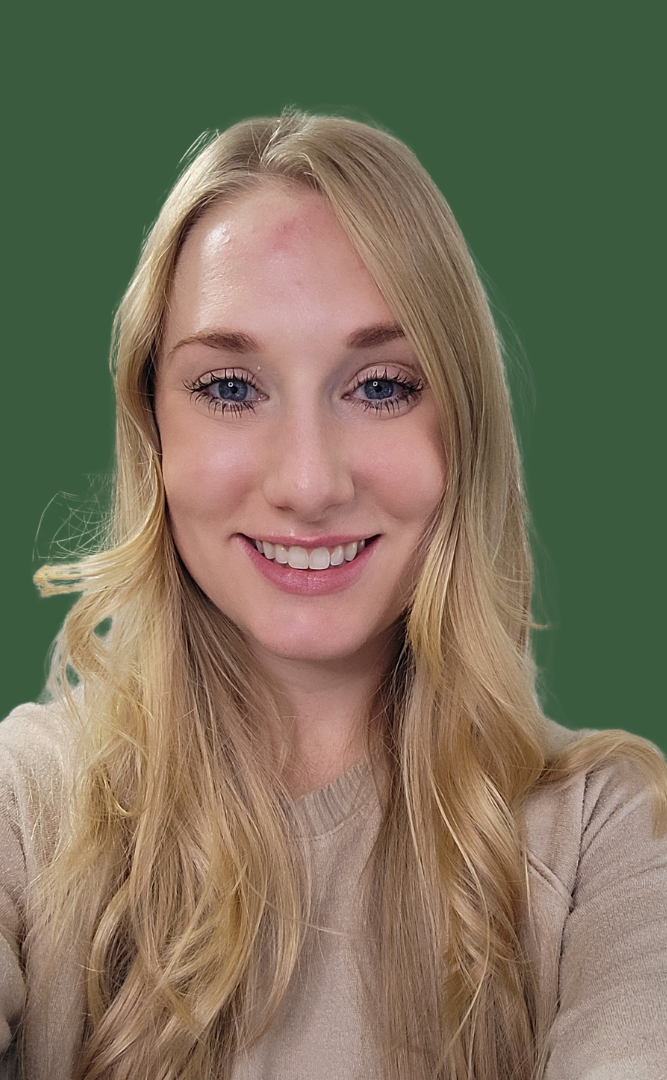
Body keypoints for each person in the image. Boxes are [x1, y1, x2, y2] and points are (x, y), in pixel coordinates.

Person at [1, 110, 665, 1080]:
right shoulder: (24, 805)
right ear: (152, 427)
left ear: (462, 428)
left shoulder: (613, 838)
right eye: (230, 389)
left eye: (380, 387)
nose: (309, 485)